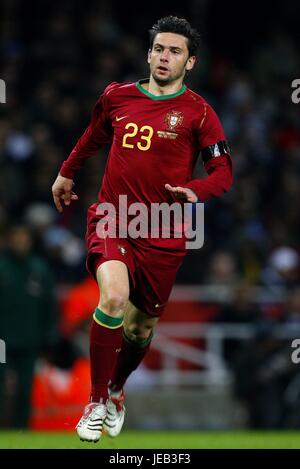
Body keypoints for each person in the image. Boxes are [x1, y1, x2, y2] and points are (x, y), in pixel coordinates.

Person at [51, 16, 233, 443]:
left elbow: (223, 171)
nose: (164, 56)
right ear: (148, 53)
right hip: (114, 217)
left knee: (139, 329)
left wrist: (196, 190)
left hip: (164, 231)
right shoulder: (118, 97)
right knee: (113, 297)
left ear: (190, 62)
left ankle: (116, 390)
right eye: (158, 49)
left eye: (174, 51)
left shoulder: (199, 112)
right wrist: (66, 173)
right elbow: (92, 137)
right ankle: (95, 402)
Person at [0, 224, 57, 428]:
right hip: (2, 342)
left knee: (25, 388)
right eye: (16, 238)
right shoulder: (2, 267)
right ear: (8, 240)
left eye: (24, 238)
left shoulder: (39, 269)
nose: (20, 242)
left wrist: (49, 336)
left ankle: (21, 429)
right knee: (0, 385)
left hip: (29, 340)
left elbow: (49, 306)